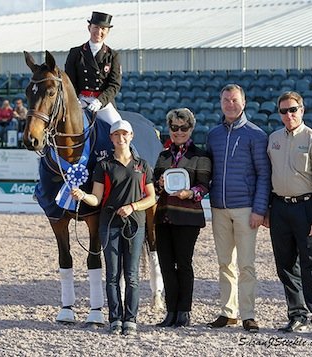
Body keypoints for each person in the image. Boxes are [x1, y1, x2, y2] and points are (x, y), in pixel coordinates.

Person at [71, 120, 155, 336]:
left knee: (132, 274)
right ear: (111, 138)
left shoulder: (142, 165)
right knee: (113, 275)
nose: (120, 138)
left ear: (131, 136)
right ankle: (115, 318)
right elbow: (96, 198)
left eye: (124, 134)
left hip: (135, 224)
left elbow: (151, 197)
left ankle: (131, 319)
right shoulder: (104, 166)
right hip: (109, 224)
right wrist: (83, 196)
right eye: (116, 135)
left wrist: (133, 206)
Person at [265, 91, 312, 338]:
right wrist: (267, 209)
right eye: (283, 111)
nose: (288, 114)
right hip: (280, 207)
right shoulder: (273, 139)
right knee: (285, 265)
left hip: (307, 207)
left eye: (293, 109)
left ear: (301, 110)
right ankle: (296, 315)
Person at [206, 84, 271, 333]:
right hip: (219, 208)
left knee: (246, 264)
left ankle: (248, 314)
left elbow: (263, 175)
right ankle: (228, 312)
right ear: (220, 102)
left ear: (243, 102)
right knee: (224, 263)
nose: (230, 104)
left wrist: (259, 209)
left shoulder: (256, 135)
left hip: (246, 209)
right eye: (225, 100)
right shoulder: (213, 135)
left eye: (234, 100)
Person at [153, 108, 212, 328]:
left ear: (191, 128)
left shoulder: (200, 156)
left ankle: (184, 311)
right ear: (169, 129)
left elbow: (204, 186)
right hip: (164, 216)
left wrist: (190, 193)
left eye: (183, 128)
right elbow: (156, 184)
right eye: (175, 128)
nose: (179, 132)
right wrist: (158, 185)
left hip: (188, 217)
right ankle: (171, 311)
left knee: (184, 264)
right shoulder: (163, 156)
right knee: (167, 265)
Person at [65, 11, 122, 125]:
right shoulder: (76, 53)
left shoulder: (112, 55)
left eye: (103, 29)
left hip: (102, 103)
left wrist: (100, 101)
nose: (99, 32)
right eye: (96, 27)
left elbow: (114, 85)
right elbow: (69, 81)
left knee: (119, 128)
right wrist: (75, 99)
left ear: (108, 31)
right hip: (80, 100)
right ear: (89, 28)